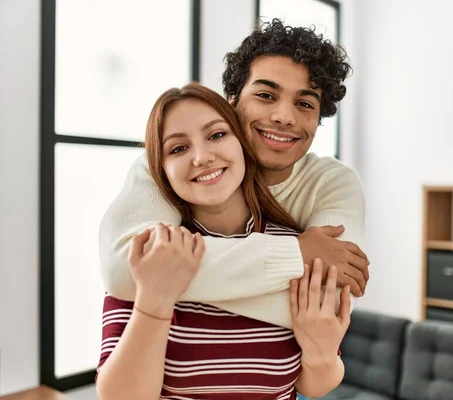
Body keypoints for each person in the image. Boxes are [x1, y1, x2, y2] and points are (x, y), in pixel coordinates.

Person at [99, 18, 369, 329]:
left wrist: (165, 286)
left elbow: (332, 302)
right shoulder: (173, 165)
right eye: (266, 96)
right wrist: (297, 254)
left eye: (305, 103)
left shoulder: (332, 183)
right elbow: (124, 268)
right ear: (232, 101)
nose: (284, 117)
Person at [95, 83, 351, 400]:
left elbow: (312, 385)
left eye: (217, 135)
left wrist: (323, 354)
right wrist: (154, 303)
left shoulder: (295, 247)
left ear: (242, 143)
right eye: (178, 149)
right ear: (160, 170)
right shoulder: (156, 251)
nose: (202, 157)